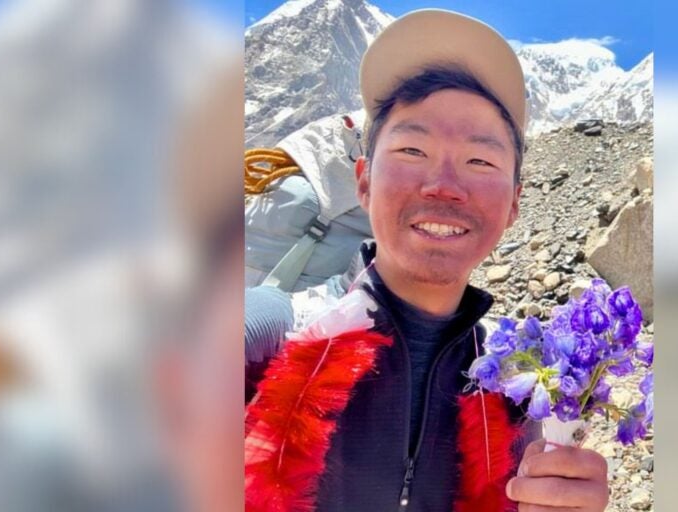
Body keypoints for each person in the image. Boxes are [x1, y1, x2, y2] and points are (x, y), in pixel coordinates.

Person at [245, 9, 609, 512]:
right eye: (413, 150)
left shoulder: (520, 393)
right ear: (364, 181)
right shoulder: (263, 336)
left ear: (515, 205)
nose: (443, 185)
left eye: (480, 160)